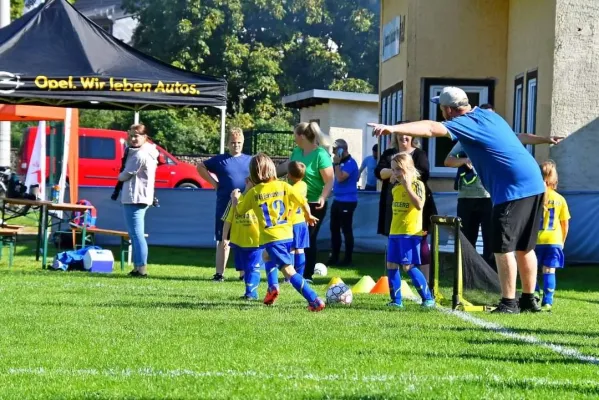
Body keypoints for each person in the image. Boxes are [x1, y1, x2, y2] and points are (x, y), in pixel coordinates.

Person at [369, 86, 562, 314]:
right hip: (534, 184)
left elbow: (431, 128)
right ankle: (529, 299)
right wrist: (543, 139)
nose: (441, 112)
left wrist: (392, 127)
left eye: (441, 107)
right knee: (524, 247)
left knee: (503, 247)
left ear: (449, 110)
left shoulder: (465, 122)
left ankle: (509, 303)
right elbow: (516, 137)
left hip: (513, 188)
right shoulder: (489, 116)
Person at [232, 153, 325, 312]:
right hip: (287, 235)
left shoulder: (254, 193)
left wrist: (235, 198)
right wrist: (308, 215)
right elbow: (302, 200)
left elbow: (240, 211)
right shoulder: (284, 186)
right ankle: (272, 288)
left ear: (254, 173)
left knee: (289, 271)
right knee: (266, 256)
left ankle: (314, 299)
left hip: (272, 238)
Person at [374, 127, 437, 280]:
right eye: (400, 134)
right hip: (394, 206)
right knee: (395, 249)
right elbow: (379, 173)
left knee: (420, 246)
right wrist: (399, 171)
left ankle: (426, 283)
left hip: (417, 210)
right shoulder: (389, 154)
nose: (403, 137)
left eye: (407, 133)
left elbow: (423, 174)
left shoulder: (419, 154)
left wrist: (396, 172)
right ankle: (396, 292)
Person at [276, 122, 334, 281]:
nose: (294, 138)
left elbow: (329, 180)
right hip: (293, 204)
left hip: (314, 204)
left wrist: (323, 197)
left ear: (301, 136)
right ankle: (292, 273)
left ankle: (306, 274)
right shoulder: (297, 152)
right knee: (291, 238)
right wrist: (268, 174)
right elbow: (285, 168)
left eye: (295, 135)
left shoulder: (320, 155)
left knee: (308, 238)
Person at [198, 128, 251, 282]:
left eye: (239, 143)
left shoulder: (249, 160)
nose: (236, 146)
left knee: (243, 240)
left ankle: (243, 273)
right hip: (225, 204)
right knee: (223, 239)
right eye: (233, 143)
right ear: (228, 143)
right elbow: (200, 167)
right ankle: (219, 273)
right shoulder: (220, 160)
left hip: (244, 205)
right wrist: (214, 183)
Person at [385, 152, 435, 308]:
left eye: (398, 170)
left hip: (410, 233)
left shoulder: (417, 185)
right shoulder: (395, 188)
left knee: (408, 266)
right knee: (391, 265)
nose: (395, 174)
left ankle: (428, 298)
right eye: (393, 170)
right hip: (395, 231)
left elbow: (419, 205)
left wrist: (408, 187)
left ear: (408, 168)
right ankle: (396, 301)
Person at [444, 141, 494, 269]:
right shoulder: (463, 141)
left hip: (488, 198)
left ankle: (491, 275)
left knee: (490, 239)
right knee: (467, 239)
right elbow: (447, 161)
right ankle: (467, 274)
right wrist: (464, 160)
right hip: (465, 198)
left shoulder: (491, 139)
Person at [118, 124, 158, 278]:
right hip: (140, 196)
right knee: (135, 234)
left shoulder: (140, 154)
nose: (133, 139)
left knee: (137, 235)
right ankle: (137, 267)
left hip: (136, 197)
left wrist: (119, 175)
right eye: (131, 135)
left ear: (145, 137)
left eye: (137, 136)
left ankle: (141, 268)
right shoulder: (148, 152)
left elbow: (125, 175)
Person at [534, 161, 570, 312]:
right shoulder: (560, 199)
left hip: (535, 240)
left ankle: (533, 296)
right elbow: (565, 225)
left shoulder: (534, 197)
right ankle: (547, 302)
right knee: (549, 271)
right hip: (553, 241)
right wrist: (561, 241)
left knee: (531, 270)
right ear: (555, 179)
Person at [221, 177, 265, 300]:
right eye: (254, 182)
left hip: (256, 241)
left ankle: (251, 293)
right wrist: (225, 238)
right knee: (245, 268)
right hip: (238, 241)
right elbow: (228, 220)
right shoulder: (235, 199)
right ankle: (249, 292)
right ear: (247, 181)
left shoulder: (259, 198)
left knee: (253, 267)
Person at [328, 139, 359, 266]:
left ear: (342, 150)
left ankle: (348, 258)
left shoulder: (350, 163)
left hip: (348, 201)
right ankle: (334, 256)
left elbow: (340, 178)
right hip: (337, 199)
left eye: (335, 150)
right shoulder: (339, 163)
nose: (334, 153)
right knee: (334, 229)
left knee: (346, 229)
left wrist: (336, 164)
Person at [287, 161, 310, 277]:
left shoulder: (291, 189)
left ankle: (290, 276)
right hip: (302, 221)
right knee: (300, 249)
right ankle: (300, 275)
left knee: (291, 248)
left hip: (293, 222)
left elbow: (290, 208)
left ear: (289, 175)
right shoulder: (304, 185)